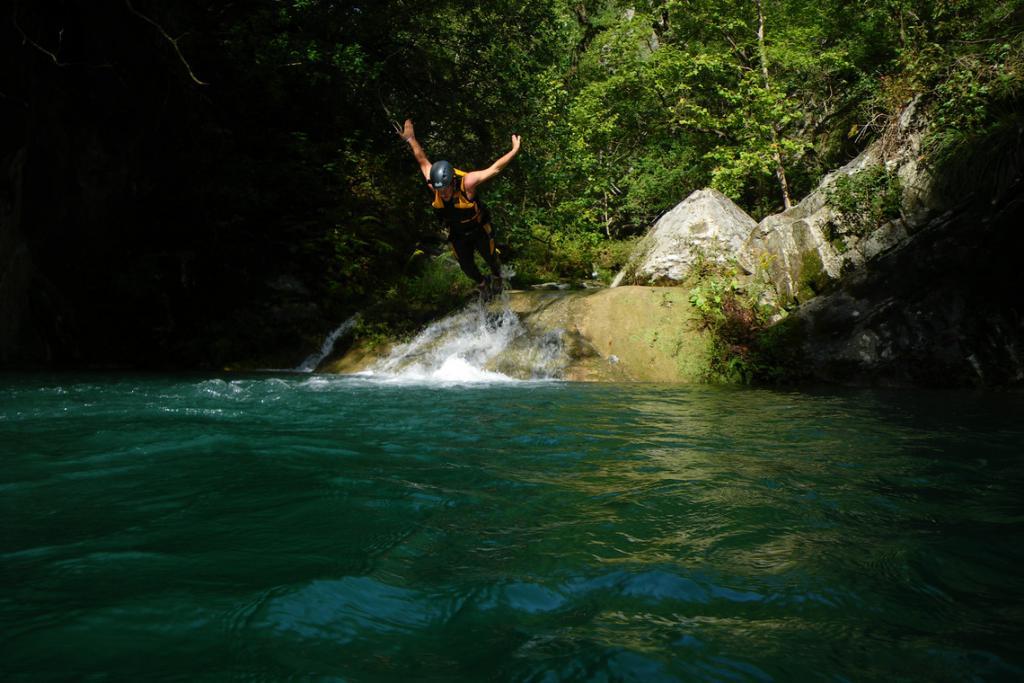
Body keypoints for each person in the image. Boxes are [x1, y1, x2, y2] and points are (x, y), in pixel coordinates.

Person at [400, 119, 521, 298]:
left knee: (490, 257)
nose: (442, 193)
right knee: (466, 266)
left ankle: (497, 276)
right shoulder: (435, 185)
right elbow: (422, 160)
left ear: (453, 182)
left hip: (478, 228)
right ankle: (483, 283)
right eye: (439, 190)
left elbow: (495, 169)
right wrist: (411, 139)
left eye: (445, 189)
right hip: (457, 233)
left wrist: (514, 150)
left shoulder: (468, 183)